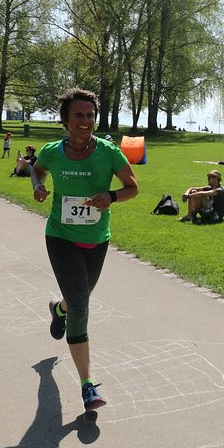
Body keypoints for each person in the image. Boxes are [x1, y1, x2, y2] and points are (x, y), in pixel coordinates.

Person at [31, 88, 138, 412]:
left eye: (90, 115)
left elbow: (133, 188)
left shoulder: (108, 152)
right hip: (61, 237)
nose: (86, 121)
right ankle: (87, 386)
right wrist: (37, 185)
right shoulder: (52, 151)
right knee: (82, 306)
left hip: (97, 241)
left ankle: (58, 309)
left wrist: (112, 196)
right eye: (79, 115)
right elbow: (37, 169)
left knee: (77, 301)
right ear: (65, 120)